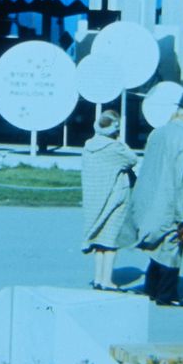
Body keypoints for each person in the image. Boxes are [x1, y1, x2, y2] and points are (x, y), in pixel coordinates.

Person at [119, 90, 183, 307]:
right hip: (171, 199)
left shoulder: (158, 132)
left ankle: (151, 288)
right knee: (171, 246)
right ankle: (167, 295)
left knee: (157, 246)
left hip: (150, 196)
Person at [80, 110, 137, 291]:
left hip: (95, 199)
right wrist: (120, 140)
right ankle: (107, 280)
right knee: (111, 241)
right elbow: (132, 159)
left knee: (98, 241)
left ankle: (98, 278)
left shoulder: (88, 146)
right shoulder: (115, 148)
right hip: (115, 198)